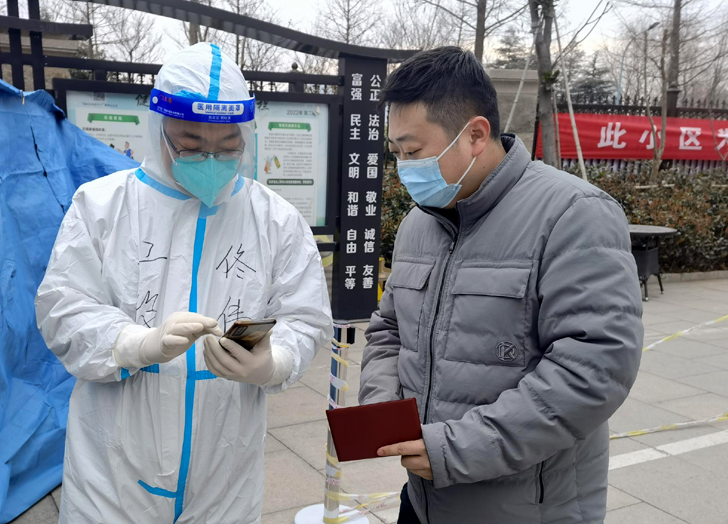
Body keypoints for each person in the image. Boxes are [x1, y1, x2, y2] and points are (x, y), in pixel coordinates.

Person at [36, 43, 332, 523]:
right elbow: (62, 308)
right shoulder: (102, 207)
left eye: (228, 147)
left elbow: (305, 316)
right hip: (113, 466)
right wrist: (134, 343)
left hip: (225, 466)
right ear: (158, 130)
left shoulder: (275, 220)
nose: (211, 160)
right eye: (190, 146)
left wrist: (273, 361)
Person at [360, 46, 643, 523]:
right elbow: (389, 330)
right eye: (396, 153)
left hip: (526, 508)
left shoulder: (573, 214)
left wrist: (456, 449)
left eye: (413, 151)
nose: (404, 167)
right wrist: (381, 407)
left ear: (475, 135)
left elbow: (595, 369)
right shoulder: (418, 224)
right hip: (425, 500)